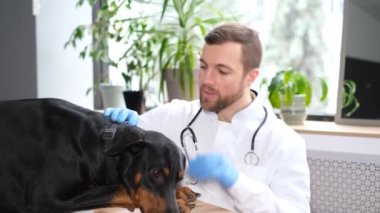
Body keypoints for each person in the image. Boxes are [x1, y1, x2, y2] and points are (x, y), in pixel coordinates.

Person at [104, 23, 310, 212]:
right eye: (203, 66)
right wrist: (119, 124)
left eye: (222, 71)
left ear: (251, 77)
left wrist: (236, 181)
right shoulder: (176, 115)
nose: (207, 79)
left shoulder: (284, 142)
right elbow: (117, 135)